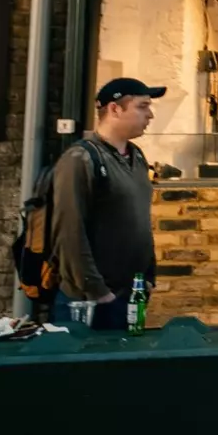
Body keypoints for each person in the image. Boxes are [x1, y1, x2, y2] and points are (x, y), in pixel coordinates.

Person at [49, 77, 162, 330]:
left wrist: (149, 275)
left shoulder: (137, 156)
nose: (150, 115)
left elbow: (140, 219)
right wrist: (97, 291)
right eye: (142, 107)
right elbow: (69, 232)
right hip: (90, 302)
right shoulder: (80, 159)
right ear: (115, 109)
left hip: (129, 294)